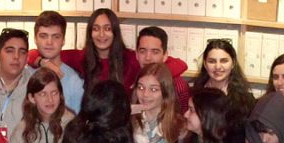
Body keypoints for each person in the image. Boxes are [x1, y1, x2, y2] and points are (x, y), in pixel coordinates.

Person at [27, 9, 187, 92]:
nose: (101, 34)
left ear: (115, 31)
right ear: (90, 33)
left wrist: (154, 75)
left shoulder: (131, 58)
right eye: (96, 29)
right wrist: (43, 62)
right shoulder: (80, 57)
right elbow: (33, 53)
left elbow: (180, 64)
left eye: (107, 28)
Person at [192, 38, 255, 126]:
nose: (218, 66)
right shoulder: (195, 94)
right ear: (205, 64)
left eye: (224, 61)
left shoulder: (245, 100)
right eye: (212, 61)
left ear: (233, 63)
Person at [32, 10, 84, 114]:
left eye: (56, 37)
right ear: (35, 39)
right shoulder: (25, 74)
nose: (49, 42)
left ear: (63, 40)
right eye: (43, 36)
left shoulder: (74, 81)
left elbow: (77, 124)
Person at [131, 63, 182, 143]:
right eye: (141, 87)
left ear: (166, 93)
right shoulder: (127, 122)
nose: (145, 94)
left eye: (153, 89)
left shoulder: (178, 127)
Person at [136, 26, 191, 113]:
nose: (148, 58)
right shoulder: (132, 79)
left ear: (165, 56)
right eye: (143, 51)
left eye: (155, 52)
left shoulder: (178, 85)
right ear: (137, 54)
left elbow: (185, 119)